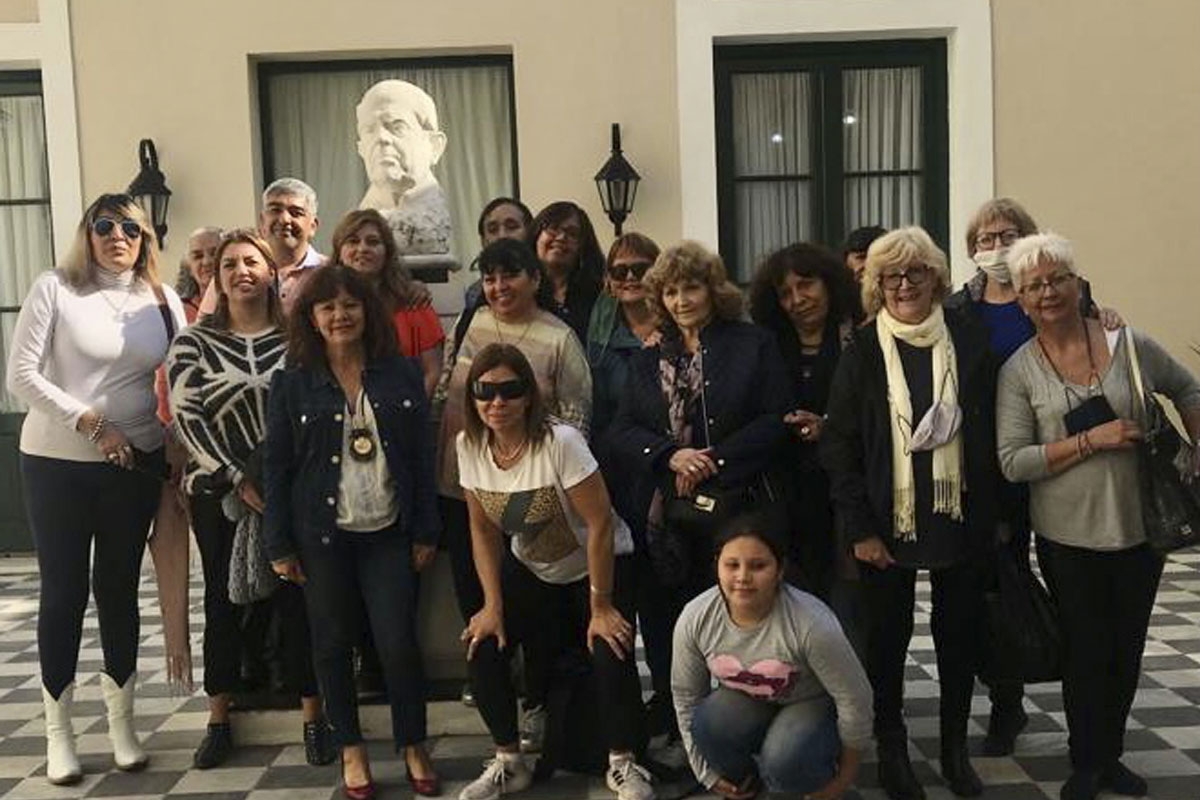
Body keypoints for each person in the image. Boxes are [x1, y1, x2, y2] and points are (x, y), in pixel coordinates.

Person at [996, 233, 1200, 800]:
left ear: (1077, 283)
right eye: (1034, 285)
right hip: (1067, 536)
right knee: (1086, 651)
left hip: (1141, 528)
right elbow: (1013, 461)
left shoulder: (1128, 343)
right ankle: (1086, 761)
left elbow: (1188, 388)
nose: (1047, 292)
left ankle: (1111, 755)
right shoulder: (1019, 371)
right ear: (1021, 301)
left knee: (1126, 649)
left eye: (1057, 279)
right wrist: (1091, 440)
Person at [6, 194, 187, 784]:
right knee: (65, 593)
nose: (117, 236)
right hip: (57, 464)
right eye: (103, 225)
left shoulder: (162, 301)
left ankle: (121, 727)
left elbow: (185, 376)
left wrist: (177, 439)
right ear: (87, 234)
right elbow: (21, 375)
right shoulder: (56, 288)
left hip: (134, 466)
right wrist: (90, 422)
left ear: (145, 238)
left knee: (118, 589)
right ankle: (59, 734)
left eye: (130, 227)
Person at [820, 227, 999, 800]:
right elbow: (839, 446)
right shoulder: (863, 350)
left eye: (915, 272)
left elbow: (993, 429)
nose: (904, 285)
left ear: (936, 277)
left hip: (958, 515)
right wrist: (859, 529)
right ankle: (893, 749)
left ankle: (953, 751)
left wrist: (995, 518)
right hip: (886, 522)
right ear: (876, 285)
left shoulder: (968, 338)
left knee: (959, 637)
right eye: (891, 276)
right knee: (887, 641)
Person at [265, 265, 442, 799]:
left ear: (367, 311)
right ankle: (351, 748)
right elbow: (277, 467)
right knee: (332, 644)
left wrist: (426, 529)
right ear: (311, 318)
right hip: (322, 536)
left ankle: (413, 743)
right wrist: (279, 543)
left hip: (389, 531)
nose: (340, 316)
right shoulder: (292, 382)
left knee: (398, 644)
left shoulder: (400, 374)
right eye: (328, 307)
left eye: (350, 305)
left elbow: (421, 457)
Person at [455, 343, 653, 800]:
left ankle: (623, 762)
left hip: (600, 562)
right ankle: (509, 760)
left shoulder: (560, 442)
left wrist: (601, 605)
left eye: (510, 390)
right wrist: (491, 605)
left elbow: (600, 522)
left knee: (609, 646)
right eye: (485, 391)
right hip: (534, 566)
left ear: (529, 395)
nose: (497, 402)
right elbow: (481, 529)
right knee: (483, 645)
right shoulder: (469, 446)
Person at [168, 229, 333, 770]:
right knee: (222, 601)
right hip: (219, 494)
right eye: (230, 264)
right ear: (216, 278)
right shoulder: (193, 343)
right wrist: (237, 477)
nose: (241, 271)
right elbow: (188, 418)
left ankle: (313, 717)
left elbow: (314, 407)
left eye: (251, 262)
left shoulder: (298, 340)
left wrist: (282, 482)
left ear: (270, 273)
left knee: (297, 601)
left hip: (290, 490)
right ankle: (218, 718)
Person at [435, 237, 592, 745]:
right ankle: (494, 693)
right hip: (469, 482)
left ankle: (539, 700)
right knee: (478, 592)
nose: (499, 286)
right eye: (490, 278)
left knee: (537, 604)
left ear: (535, 279)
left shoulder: (559, 337)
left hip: (537, 493)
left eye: (511, 275)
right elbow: (447, 391)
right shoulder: (472, 322)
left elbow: (577, 415)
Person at [608, 241, 792, 607]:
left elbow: (777, 419)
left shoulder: (753, 344)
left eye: (691, 288)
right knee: (668, 619)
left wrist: (711, 460)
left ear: (713, 290)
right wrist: (671, 456)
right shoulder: (648, 358)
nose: (681, 301)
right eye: (670, 292)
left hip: (739, 507)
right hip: (665, 513)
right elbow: (622, 429)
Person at [671, 519, 873, 800]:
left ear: (780, 570)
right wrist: (705, 773)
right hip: (750, 702)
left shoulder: (812, 622)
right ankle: (749, 786)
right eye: (732, 565)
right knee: (707, 722)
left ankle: (801, 780)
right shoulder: (695, 617)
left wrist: (843, 780)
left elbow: (856, 699)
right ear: (717, 565)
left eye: (758, 566)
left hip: (812, 702)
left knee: (784, 759)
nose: (743, 577)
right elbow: (686, 697)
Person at [585, 232, 673, 734]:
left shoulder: (679, 327)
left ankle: (669, 700)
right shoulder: (599, 336)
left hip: (669, 480)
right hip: (614, 480)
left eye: (641, 268)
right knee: (618, 597)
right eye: (620, 270)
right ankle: (620, 716)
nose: (631, 278)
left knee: (665, 600)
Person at [748, 242, 863, 600]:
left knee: (851, 604)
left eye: (806, 284)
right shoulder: (764, 344)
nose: (798, 299)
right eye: (786, 293)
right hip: (784, 490)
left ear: (829, 283)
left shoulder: (859, 337)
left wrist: (829, 428)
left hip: (846, 488)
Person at [331, 208, 444, 396]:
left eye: (373, 242)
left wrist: (410, 408)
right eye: (353, 241)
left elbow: (432, 372)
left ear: (387, 252)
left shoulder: (413, 304)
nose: (363, 248)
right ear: (339, 252)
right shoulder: (324, 306)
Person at [198, 178, 325, 316]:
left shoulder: (328, 272)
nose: (284, 219)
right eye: (275, 210)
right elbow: (204, 326)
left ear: (313, 226)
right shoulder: (234, 275)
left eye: (296, 213)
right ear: (262, 222)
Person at [356, 78, 452, 256]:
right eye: (369, 130)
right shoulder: (359, 218)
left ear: (434, 146)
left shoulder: (431, 217)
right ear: (360, 149)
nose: (381, 138)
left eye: (397, 127)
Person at [529, 201, 606, 342]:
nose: (561, 237)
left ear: (582, 245)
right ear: (536, 235)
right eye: (553, 228)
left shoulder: (598, 294)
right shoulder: (521, 289)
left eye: (572, 233)